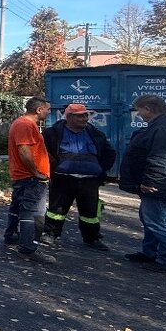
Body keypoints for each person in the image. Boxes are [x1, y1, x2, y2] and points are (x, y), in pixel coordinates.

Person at [118, 95, 166, 275]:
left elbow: (163, 157)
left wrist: (151, 180)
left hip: (162, 184)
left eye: (140, 110)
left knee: (163, 220)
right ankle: (150, 252)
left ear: (149, 108)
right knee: (152, 218)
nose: (139, 114)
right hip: (164, 182)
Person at [40, 103, 116, 251]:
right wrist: (51, 169)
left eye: (85, 115)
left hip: (89, 180)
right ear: (69, 117)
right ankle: (50, 234)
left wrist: (101, 170)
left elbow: (109, 152)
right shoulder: (52, 133)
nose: (84, 118)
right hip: (63, 179)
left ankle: (92, 238)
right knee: (57, 210)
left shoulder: (95, 134)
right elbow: (42, 152)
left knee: (90, 212)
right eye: (80, 116)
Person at [3, 96, 55, 263]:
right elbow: (24, 151)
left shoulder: (23, 123)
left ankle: (12, 236)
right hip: (30, 177)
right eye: (47, 109)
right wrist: (36, 172)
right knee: (33, 213)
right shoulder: (25, 125)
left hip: (24, 176)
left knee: (18, 207)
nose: (49, 112)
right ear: (39, 110)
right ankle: (27, 248)